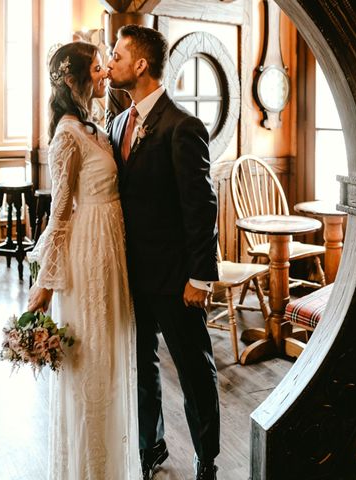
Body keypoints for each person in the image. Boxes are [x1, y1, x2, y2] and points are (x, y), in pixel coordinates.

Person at [107, 25, 220, 480]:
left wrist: (200, 277)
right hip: (130, 275)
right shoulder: (118, 124)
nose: (110, 62)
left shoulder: (182, 127)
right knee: (140, 366)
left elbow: (202, 207)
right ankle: (150, 448)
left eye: (117, 55)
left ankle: (207, 457)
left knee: (194, 369)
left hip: (176, 278)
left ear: (140, 65)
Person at [27, 41, 141, 480]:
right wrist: (45, 284)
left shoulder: (94, 126)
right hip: (88, 254)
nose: (103, 75)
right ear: (73, 79)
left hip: (111, 249)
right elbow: (59, 214)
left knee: (109, 360)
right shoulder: (65, 135)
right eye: (96, 68)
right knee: (90, 362)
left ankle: (111, 465)